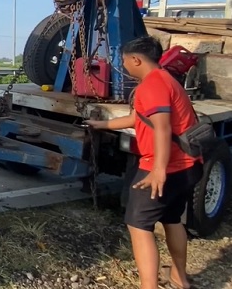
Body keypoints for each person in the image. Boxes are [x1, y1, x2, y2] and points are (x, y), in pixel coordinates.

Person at [86, 35, 201, 289]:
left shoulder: (152, 85)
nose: (124, 66)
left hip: (164, 168)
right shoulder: (165, 80)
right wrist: (102, 124)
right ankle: (179, 277)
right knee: (172, 219)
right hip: (188, 165)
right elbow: (137, 118)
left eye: (125, 61)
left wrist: (158, 171)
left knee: (138, 226)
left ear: (136, 59)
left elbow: (161, 127)